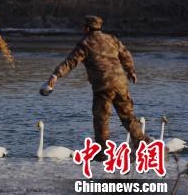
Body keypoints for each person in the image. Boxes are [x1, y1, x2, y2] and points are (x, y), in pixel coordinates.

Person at [45, 15, 151, 161]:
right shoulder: (112, 39)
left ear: (87, 28)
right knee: (128, 117)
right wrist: (131, 71)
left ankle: (102, 152)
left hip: (103, 86)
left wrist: (56, 75)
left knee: (101, 119)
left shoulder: (85, 43)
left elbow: (70, 62)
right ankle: (146, 146)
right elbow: (125, 54)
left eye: (83, 26)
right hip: (121, 83)